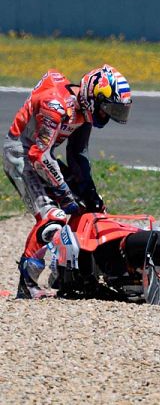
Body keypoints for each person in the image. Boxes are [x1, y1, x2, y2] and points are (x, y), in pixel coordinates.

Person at [3, 65, 132, 298]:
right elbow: (38, 156)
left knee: (90, 209)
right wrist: (64, 193)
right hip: (20, 153)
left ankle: (71, 275)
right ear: (94, 96)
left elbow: (77, 154)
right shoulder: (56, 106)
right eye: (108, 108)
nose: (108, 115)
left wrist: (89, 193)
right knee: (53, 217)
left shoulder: (85, 112)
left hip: (43, 154)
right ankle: (27, 284)